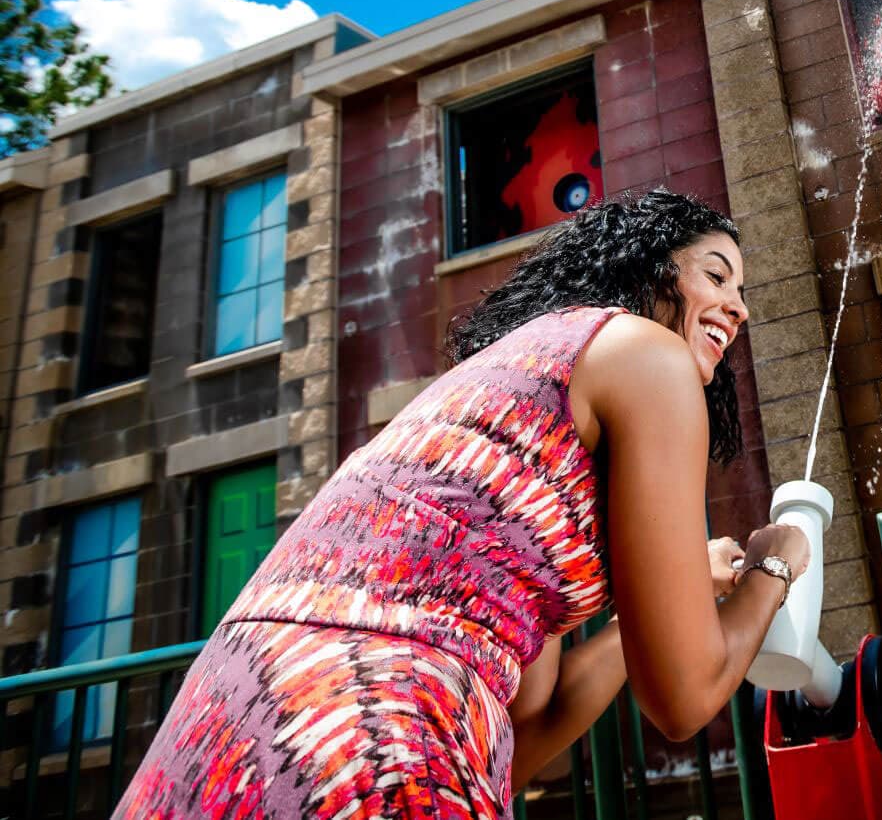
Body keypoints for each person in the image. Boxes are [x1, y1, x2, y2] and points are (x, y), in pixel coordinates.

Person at [119, 190, 810, 818]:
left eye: (740, 289)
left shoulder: (517, 396)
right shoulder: (646, 356)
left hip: (226, 721)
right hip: (369, 731)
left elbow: (520, 735)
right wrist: (769, 571)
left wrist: (653, 609)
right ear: (643, 269)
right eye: (716, 276)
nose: (738, 308)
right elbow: (684, 699)